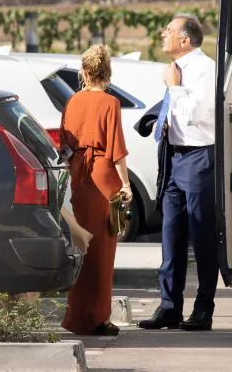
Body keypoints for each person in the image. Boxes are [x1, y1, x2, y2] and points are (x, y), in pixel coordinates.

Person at [138, 14, 218, 332]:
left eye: (169, 31)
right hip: (174, 157)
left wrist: (174, 87)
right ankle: (169, 306)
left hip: (200, 157)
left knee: (202, 238)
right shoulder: (176, 70)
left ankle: (203, 309)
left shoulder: (204, 70)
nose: (162, 34)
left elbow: (195, 115)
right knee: (170, 237)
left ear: (185, 39)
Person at [60, 44, 131, 337]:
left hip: (80, 176)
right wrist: (125, 183)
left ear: (84, 71)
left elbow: (64, 142)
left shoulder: (72, 102)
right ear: (107, 71)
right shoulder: (110, 103)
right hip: (103, 177)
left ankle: (77, 316)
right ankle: (99, 317)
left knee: (82, 247)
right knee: (103, 252)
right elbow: (117, 150)